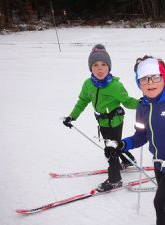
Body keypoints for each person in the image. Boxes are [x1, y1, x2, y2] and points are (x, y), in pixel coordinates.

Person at [107, 56, 165, 225]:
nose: (150, 82)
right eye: (144, 79)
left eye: (155, 77)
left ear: (163, 79)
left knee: (159, 202)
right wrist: (123, 145)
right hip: (159, 161)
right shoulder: (142, 107)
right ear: (139, 83)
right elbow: (141, 136)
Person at [63, 44, 140, 191]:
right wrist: (72, 117)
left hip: (115, 121)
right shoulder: (88, 85)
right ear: (90, 68)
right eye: (95, 65)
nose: (100, 68)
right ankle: (128, 160)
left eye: (104, 64)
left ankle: (115, 179)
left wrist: (142, 103)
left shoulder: (115, 86)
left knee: (110, 149)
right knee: (114, 144)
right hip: (102, 121)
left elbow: (127, 101)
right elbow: (82, 101)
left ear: (109, 67)